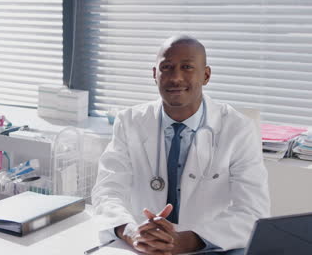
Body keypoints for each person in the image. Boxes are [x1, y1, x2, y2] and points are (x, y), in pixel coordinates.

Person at [91, 35, 270, 255]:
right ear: (155, 74)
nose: (176, 77)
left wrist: (182, 241)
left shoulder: (238, 129)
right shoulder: (130, 122)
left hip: (210, 245)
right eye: (166, 67)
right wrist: (131, 232)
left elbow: (252, 210)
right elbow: (108, 192)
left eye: (187, 67)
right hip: (143, 245)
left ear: (206, 75)